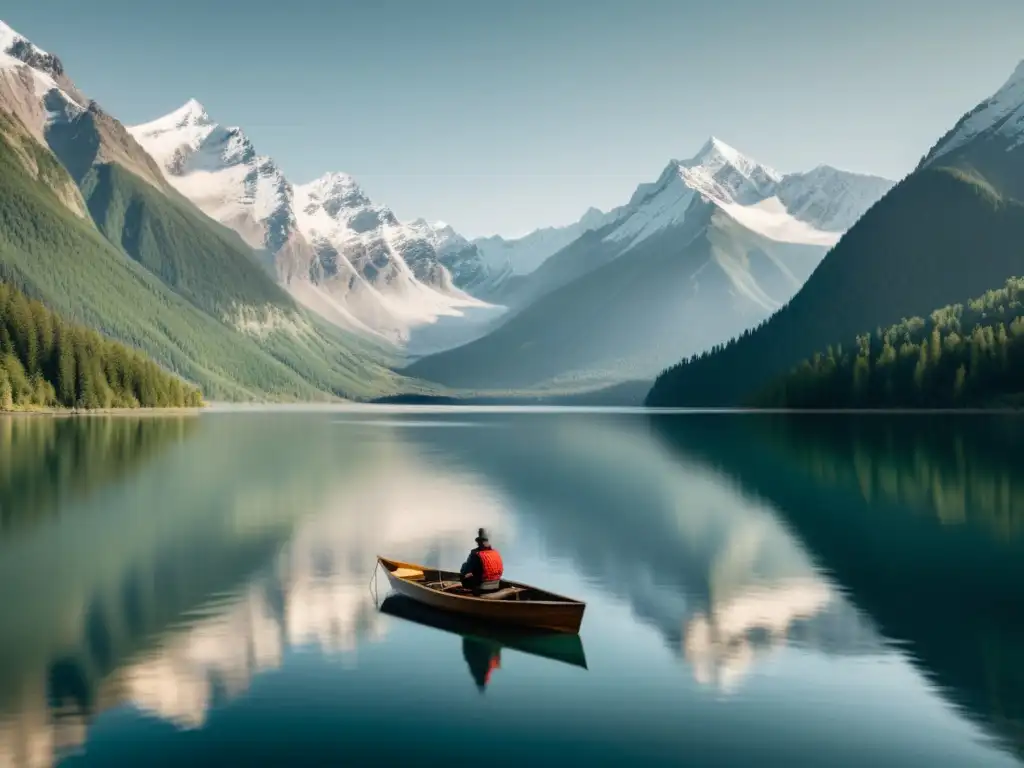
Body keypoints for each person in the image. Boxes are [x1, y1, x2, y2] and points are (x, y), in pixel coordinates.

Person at [460, 528, 503, 594]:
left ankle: (470, 592)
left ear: (480, 542)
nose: (477, 544)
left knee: (464, 568)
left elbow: (466, 570)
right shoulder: (495, 553)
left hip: (482, 588)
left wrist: (465, 571)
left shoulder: (475, 554)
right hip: (496, 584)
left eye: (478, 542)